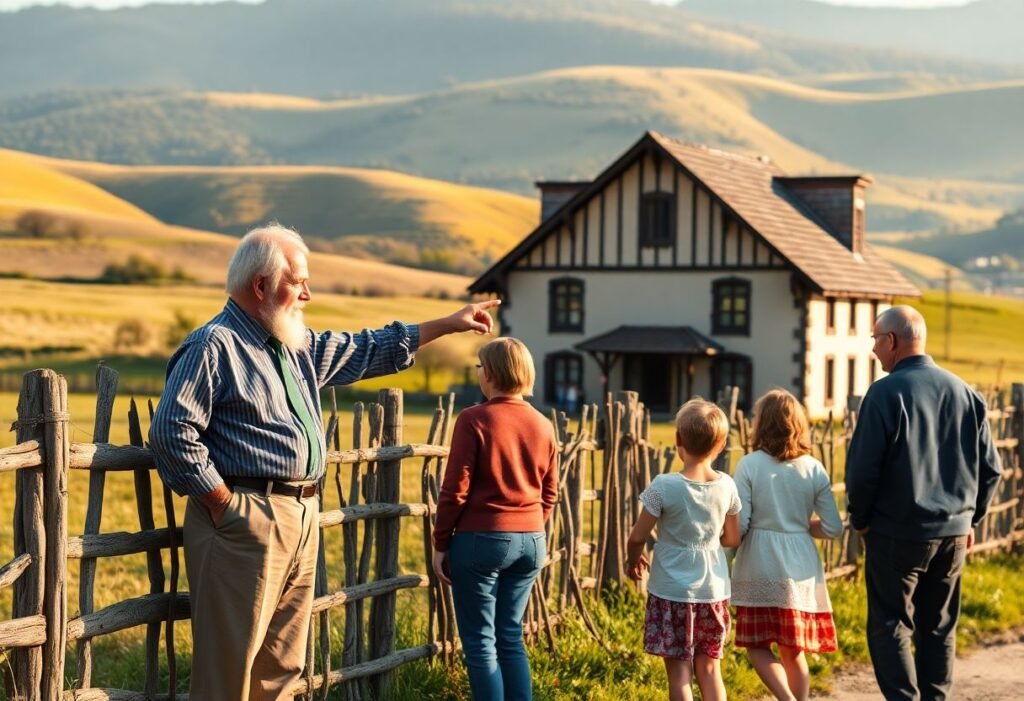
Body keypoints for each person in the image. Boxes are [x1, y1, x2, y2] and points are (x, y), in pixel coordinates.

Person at [149, 224, 499, 701]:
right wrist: (226, 506)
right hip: (246, 519)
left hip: (299, 516)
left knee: (281, 669)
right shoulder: (214, 346)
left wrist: (448, 323)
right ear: (262, 286)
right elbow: (172, 432)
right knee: (228, 673)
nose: (308, 294)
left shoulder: (294, 346)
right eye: (299, 282)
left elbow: (367, 348)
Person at [845, 305, 1002, 701]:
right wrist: (971, 520)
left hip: (896, 532)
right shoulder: (966, 393)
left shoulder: (883, 394)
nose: (874, 350)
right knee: (939, 627)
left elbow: (863, 472)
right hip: (953, 532)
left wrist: (860, 520)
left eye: (876, 339)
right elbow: (991, 470)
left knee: (889, 624)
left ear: (893, 341)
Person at [431, 337, 558, 701]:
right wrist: (532, 525)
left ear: (490, 373)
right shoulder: (543, 424)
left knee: (480, 640)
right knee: (510, 635)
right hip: (532, 539)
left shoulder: (474, 418)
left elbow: (455, 488)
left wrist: (441, 542)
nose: (478, 373)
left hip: (481, 540)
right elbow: (550, 492)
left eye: (479, 366)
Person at [730, 389, 844, 701]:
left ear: (761, 424)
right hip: (801, 568)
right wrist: (798, 525)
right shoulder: (813, 468)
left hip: (759, 564)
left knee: (757, 646)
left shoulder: (750, 465)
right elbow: (834, 527)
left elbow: (740, 525)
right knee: (793, 651)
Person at [626, 399, 742, 701]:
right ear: (722, 444)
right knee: (710, 671)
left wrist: (632, 559)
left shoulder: (664, 486)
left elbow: (637, 537)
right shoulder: (727, 486)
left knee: (679, 675)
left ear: (678, 440)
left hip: (671, 594)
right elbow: (733, 538)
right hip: (713, 592)